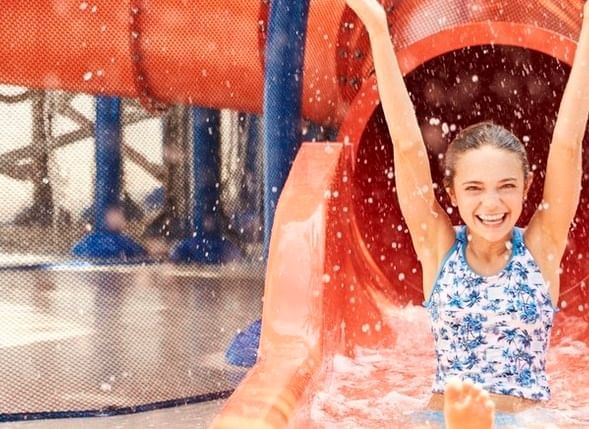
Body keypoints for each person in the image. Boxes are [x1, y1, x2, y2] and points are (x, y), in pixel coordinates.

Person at [345, 0, 589, 427]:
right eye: (474, 189)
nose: (491, 205)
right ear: (452, 194)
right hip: (442, 418)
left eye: (506, 187)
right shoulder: (439, 249)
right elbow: (406, 145)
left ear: (528, 188)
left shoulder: (541, 249)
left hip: (520, 422)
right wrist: (379, 31)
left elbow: (567, 142)